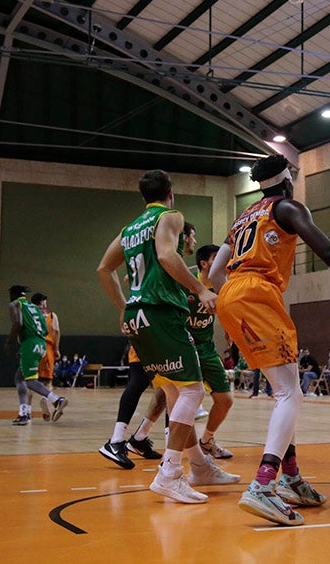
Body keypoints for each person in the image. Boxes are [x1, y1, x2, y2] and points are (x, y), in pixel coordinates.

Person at [210, 153, 330, 526]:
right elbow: (329, 251)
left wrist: (235, 298)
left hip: (230, 295)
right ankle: (264, 486)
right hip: (257, 293)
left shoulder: (241, 217)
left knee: (286, 390)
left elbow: (217, 271)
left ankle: (292, 476)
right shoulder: (287, 207)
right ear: (286, 182)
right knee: (289, 393)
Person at [97, 169, 238, 503]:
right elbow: (165, 254)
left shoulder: (130, 229)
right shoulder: (171, 216)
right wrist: (200, 290)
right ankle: (169, 472)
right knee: (191, 391)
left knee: (176, 396)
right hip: (160, 311)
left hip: (136, 315)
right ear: (170, 194)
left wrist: (122, 306)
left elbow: (104, 269)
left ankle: (200, 467)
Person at [96, 222, 198, 470]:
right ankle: (124, 441)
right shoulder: (166, 254)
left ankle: (139, 437)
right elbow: (117, 272)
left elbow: (122, 274)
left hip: (144, 321)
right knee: (155, 384)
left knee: (164, 389)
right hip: (154, 324)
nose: (194, 241)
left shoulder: (158, 259)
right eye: (192, 236)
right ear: (183, 237)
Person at [187, 243, 236, 459]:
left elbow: (226, 309)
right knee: (179, 400)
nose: (222, 261)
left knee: (225, 400)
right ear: (203, 263)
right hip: (184, 347)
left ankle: (206, 440)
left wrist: (230, 329)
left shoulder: (220, 285)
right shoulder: (186, 282)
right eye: (217, 257)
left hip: (206, 348)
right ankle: (174, 455)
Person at [6, 285, 68, 426]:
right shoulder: (36, 308)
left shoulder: (15, 304)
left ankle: (56, 400)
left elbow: (17, 322)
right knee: (20, 377)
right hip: (42, 345)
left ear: (14, 294)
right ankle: (24, 413)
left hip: (30, 343)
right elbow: (46, 330)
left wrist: (9, 342)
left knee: (30, 381)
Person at [31, 292, 61, 420]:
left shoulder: (29, 314)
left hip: (31, 348)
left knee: (29, 380)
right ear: (42, 302)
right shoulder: (51, 315)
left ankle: (25, 412)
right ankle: (45, 398)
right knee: (48, 380)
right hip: (46, 348)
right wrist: (56, 349)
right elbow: (56, 331)